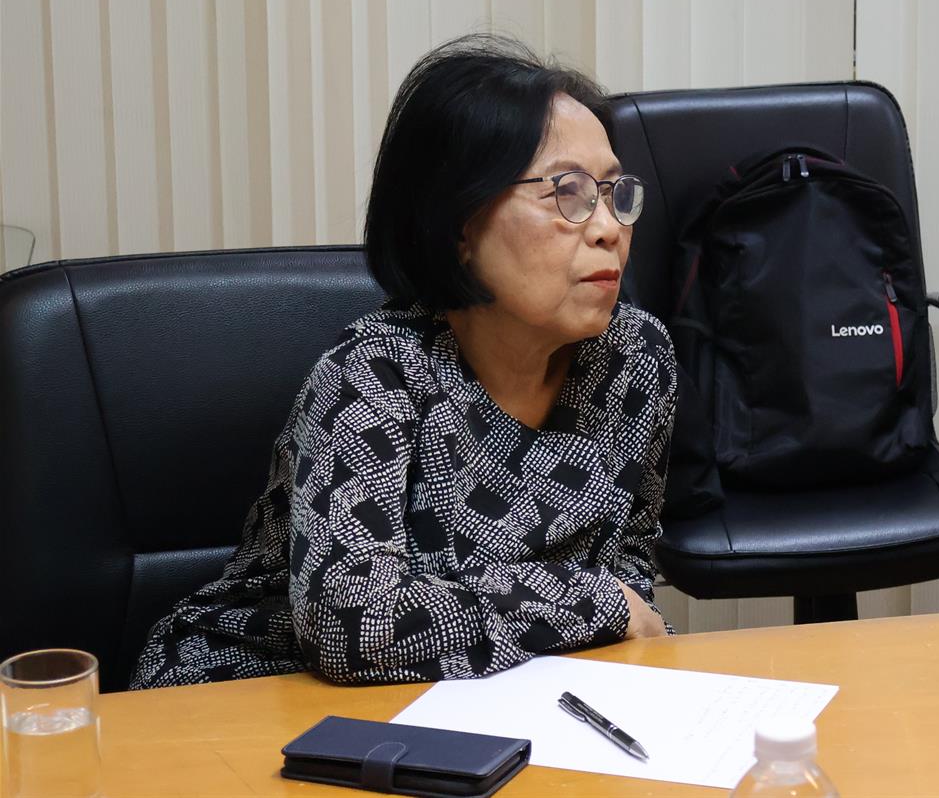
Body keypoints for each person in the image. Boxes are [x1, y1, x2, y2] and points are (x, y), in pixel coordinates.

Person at [128, 35, 676, 688]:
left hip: (494, 694)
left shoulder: (635, 359)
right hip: (256, 692)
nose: (610, 227)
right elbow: (350, 623)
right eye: (569, 192)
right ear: (459, 224)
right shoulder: (375, 373)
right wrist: (596, 604)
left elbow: (630, 567)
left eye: (615, 192)